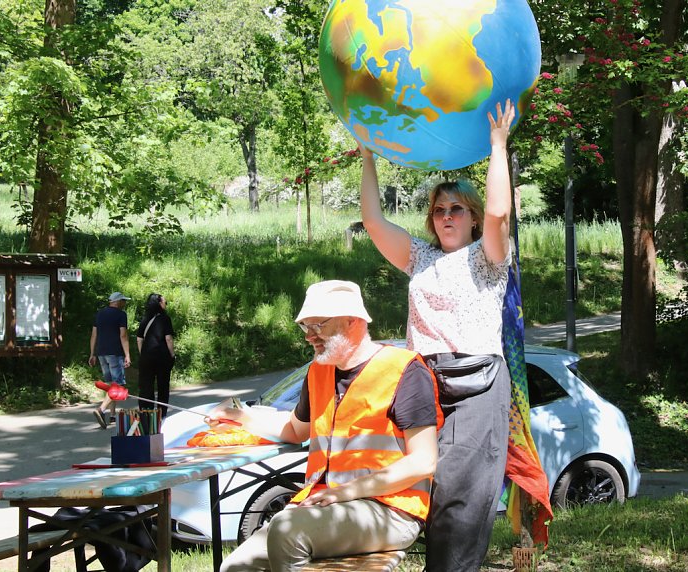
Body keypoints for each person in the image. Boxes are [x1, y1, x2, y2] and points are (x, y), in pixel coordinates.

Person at [359, 100, 516, 571]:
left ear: (469, 217)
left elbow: (498, 217)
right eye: (440, 209)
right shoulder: (420, 258)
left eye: (457, 209)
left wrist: (497, 145)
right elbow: (373, 221)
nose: (447, 215)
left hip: (478, 386)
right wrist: (366, 155)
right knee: (427, 498)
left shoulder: (489, 259)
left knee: (460, 505)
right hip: (425, 384)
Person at [213, 280, 442, 571]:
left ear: (353, 321)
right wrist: (239, 415)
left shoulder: (405, 370)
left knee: (286, 530)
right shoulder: (318, 372)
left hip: (391, 509)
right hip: (326, 505)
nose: (309, 336)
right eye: (305, 327)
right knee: (235, 568)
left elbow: (423, 461)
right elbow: (295, 430)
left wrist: (344, 492)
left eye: (318, 325)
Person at [89, 292, 132, 429]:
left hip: (101, 353)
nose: (124, 303)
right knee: (118, 385)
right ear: (118, 301)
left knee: (111, 385)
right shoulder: (121, 315)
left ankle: (112, 415)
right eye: (123, 301)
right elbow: (123, 335)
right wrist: (127, 355)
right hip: (115, 353)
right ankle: (101, 409)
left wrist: (92, 354)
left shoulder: (100, 314)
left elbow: (94, 335)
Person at [136, 293, 175, 418]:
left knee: (146, 385)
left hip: (147, 357)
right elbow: (168, 339)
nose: (166, 304)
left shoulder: (145, 318)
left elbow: (139, 339)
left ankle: (146, 413)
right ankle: (161, 414)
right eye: (165, 302)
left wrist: (143, 353)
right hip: (162, 357)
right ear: (159, 304)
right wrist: (172, 355)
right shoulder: (165, 318)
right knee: (163, 385)